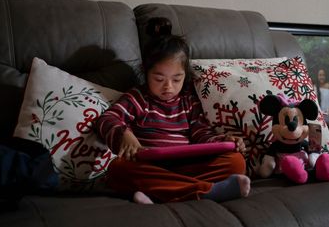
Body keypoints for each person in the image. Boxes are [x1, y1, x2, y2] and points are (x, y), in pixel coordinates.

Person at [95, 17, 250, 204]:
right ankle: (205, 191)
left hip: (186, 166)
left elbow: (202, 134)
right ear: (146, 72)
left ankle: (159, 192)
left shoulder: (188, 102)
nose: (168, 87)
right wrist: (124, 134)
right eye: (159, 79)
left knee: (236, 162)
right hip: (150, 166)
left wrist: (224, 141)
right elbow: (107, 119)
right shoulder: (138, 97)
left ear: (185, 75)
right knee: (117, 169)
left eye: (176, 79)